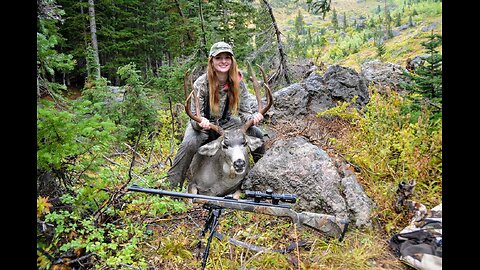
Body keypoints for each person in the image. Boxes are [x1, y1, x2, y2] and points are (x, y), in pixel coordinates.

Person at [167, 41, 266, 190]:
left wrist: (254, 119)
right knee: (189, 144)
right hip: (203, 125)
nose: (223, 61)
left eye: (227, 57)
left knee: (256, 134)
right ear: (212, 61)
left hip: (226, 123)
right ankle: (172, 185)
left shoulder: (238, 82)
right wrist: (200, 122)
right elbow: (194, 114)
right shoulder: (201, 84)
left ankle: (260, 177)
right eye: (219, 58)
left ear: (232, 61)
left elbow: (245, 113)